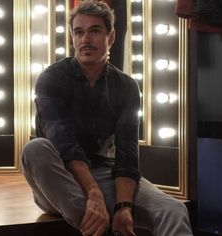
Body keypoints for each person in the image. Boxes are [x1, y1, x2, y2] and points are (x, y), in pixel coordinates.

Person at [21, 1, 193, 235]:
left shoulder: (127, 87)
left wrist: (123, 206)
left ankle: (103, 216)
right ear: (72, 37)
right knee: (35, 148)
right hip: (59, 178)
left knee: (173, 210)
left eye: (94, 31)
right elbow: (65, 145)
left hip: (104, 173)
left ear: (111, 37)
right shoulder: (51, 78)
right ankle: (101, 222)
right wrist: (93, 193)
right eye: (79, 32)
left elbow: (127, 155)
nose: (85, 39)